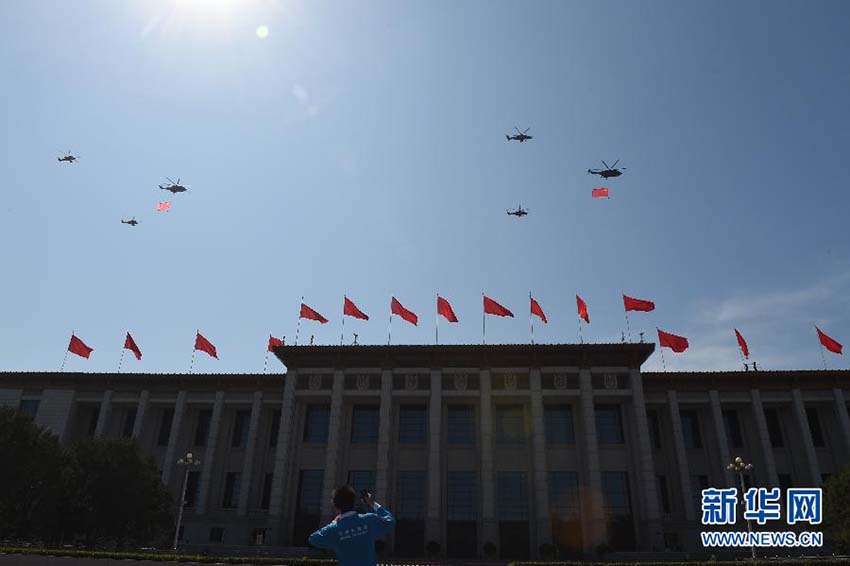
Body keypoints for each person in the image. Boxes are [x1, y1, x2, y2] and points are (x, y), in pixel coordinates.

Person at [308, 485, 395, 566]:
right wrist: (372, 503)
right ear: (353, 501)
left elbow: (313, 539)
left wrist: (334, 523)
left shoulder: (334, 529)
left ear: (335, 505)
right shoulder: (369, 520)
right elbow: (390, 521)